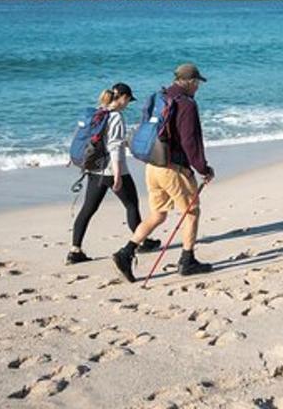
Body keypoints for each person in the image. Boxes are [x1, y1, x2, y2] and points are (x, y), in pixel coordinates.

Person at [112, 63, 215, 281]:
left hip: (153, 166)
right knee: (192, 212)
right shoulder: (186, 105)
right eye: (196, 83)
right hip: (173, 169)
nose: (198, 87)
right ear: (188, 81)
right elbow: (190, 141)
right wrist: (203, 168)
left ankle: (126, 253)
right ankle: (187, 261)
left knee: (158, 214)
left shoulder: (159, 97)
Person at [67, 83, 160, 264]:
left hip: (94, 168)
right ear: (123, 97)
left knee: (88, 208)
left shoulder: (97, 112)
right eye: (128, 100)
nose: (128, 104)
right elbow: (114, 147)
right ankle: (141, 242)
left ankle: (74, 251)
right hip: (112, 170)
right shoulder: (116, 117)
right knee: (131, 204)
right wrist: (118, 175)